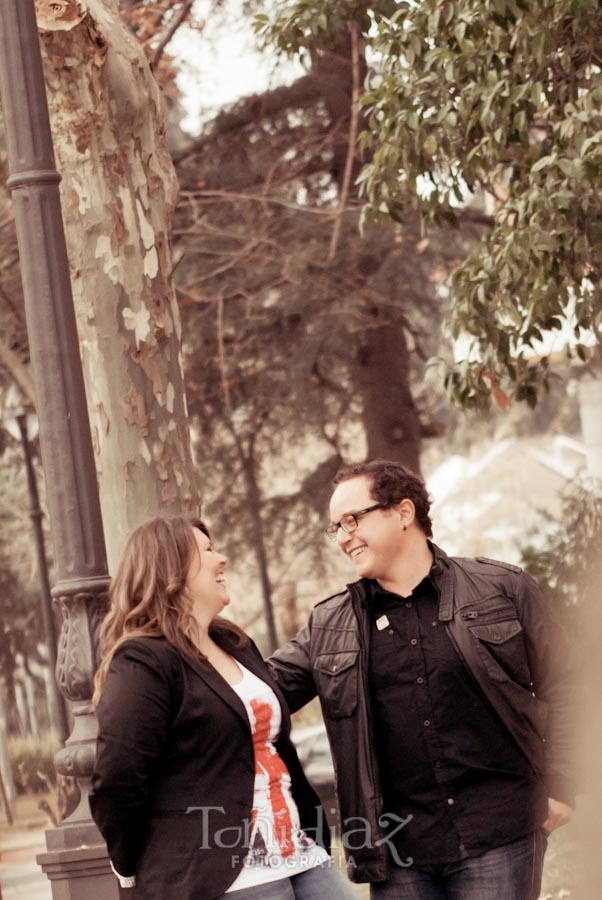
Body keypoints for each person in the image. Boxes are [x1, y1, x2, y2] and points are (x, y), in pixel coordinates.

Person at [268, 459, 576, 900]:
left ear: (403, 512)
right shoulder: (329, 625)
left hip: (500, 834)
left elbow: (566, 684)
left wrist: (563, 785)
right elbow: (258, 691)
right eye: (335, 527)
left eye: (352, 520)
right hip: (399, 857)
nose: (342, 537)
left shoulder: (502, 589)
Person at [89, 516, 357, 900]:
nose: (223, 559)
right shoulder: (144, 661)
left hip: (297, 851)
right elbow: (118, 778)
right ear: (173, 570)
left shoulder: (235, 643)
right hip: (223, 871)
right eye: (208, 550)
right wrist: (129, 864)